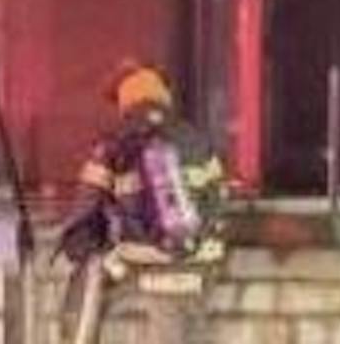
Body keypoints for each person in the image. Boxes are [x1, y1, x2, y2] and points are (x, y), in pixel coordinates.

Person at [56, 62, 227, 344]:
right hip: (201, 269)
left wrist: (88, 249)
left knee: (88, 275)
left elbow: (84, 218)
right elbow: (218, 201)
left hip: (147, 265)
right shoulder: (199, 142)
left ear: (125, 104)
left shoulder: (113, 146)